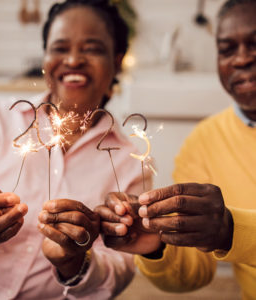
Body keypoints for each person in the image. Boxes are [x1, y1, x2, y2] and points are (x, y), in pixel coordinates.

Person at [0, 1, 148, 299]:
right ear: (46, 57)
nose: (73, 59)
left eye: (92, 49)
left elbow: (118, 273)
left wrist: (75, 261)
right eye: (60, 48)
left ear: (117, 61)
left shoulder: (130, 162)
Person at [96, 0, 256, 299]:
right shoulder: (204, 142)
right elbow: (193, 273)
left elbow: (231, 232)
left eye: (254, 44)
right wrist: (158, 246)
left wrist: (232, 230)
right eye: (227, 49)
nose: (241, 60)